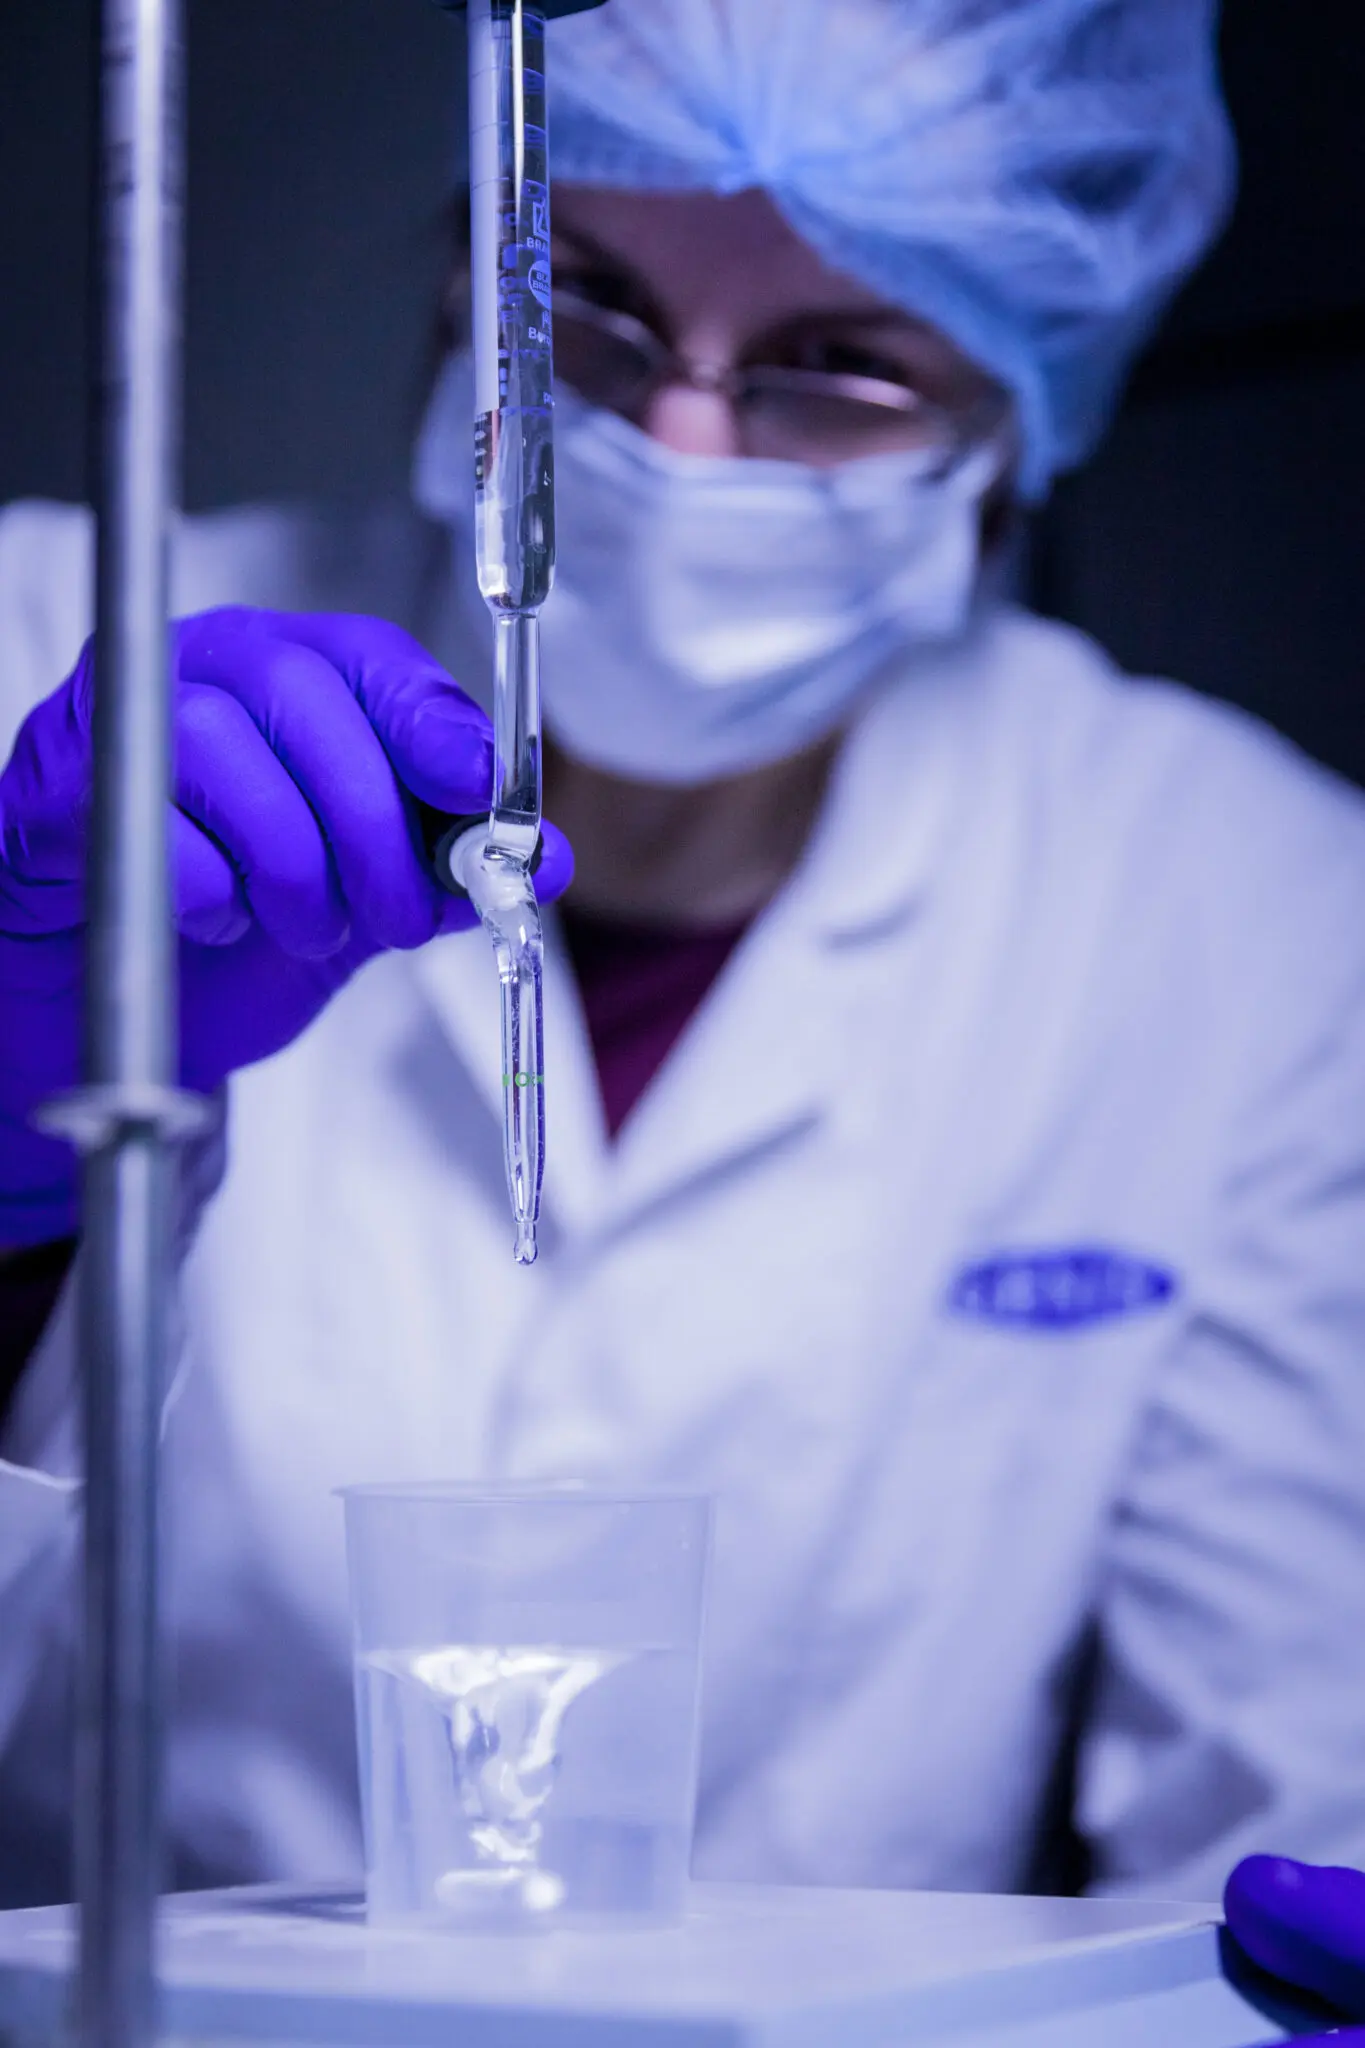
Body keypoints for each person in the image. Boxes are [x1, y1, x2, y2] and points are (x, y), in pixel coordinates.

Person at [3, 0, 1365, 1911]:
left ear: (1016, 431)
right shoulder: (62, 658)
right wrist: (9, 1172)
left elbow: (1293, 1792)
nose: (672, 436)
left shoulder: (1248, 912)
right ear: (462, 291)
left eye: (837, 365)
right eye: (588, 310)